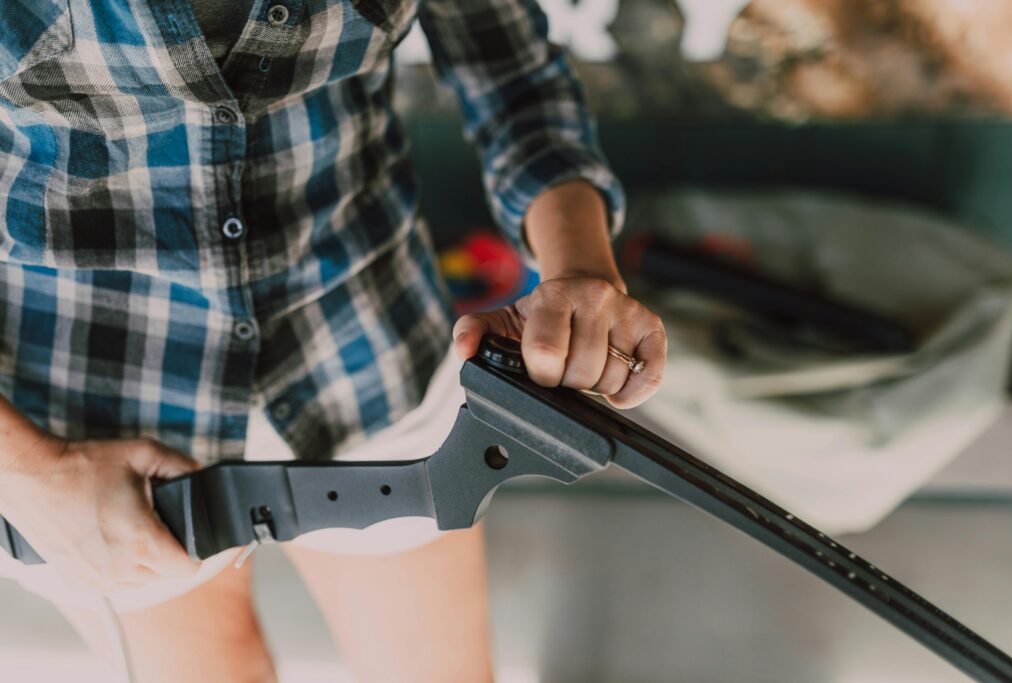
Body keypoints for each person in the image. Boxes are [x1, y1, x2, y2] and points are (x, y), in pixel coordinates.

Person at [0, 0, 666, 681]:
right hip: (84, 422)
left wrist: (581, 266)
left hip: (366, 352)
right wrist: (27, 471)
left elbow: (513, 74)